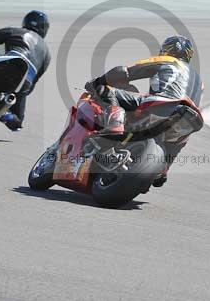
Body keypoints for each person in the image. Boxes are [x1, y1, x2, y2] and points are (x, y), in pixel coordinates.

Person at [85, 35, 203, 187]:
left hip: (164, 104)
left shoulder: (168, 60)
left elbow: (125, 72)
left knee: (108, 91)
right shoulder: (199, 80)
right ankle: (162, 170)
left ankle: (114, 128)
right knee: (180, 139)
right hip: (192, 118)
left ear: (168, 49)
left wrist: (98, 81)